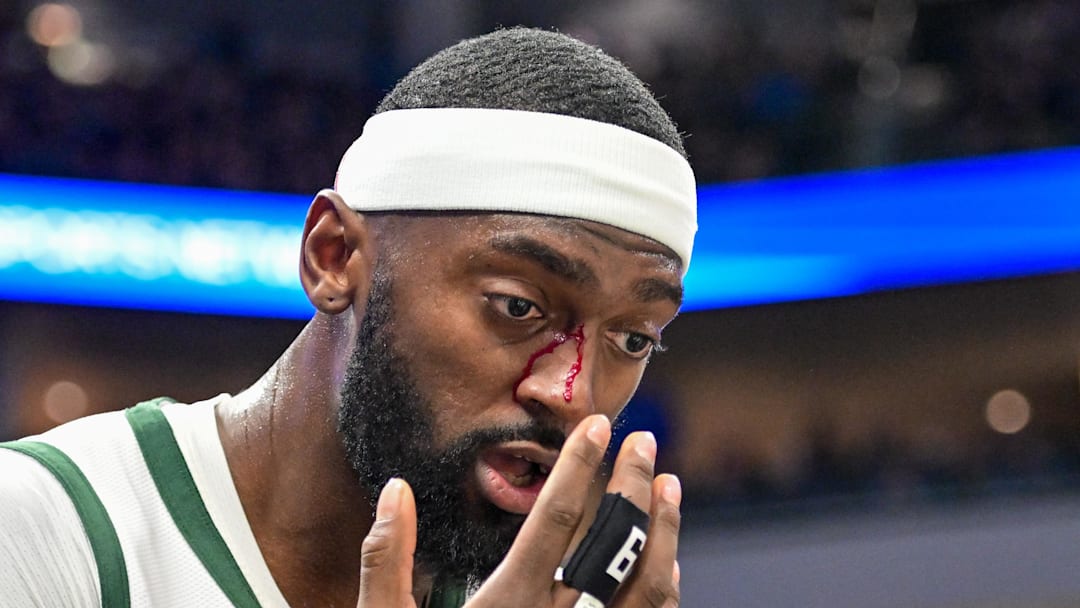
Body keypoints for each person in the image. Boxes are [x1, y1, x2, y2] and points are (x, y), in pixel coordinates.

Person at [0, 27, 695, 607]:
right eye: (518, 307)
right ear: (333, 256)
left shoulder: (554, 596)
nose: (570, 393)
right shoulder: (41, 528)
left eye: (633, 338)